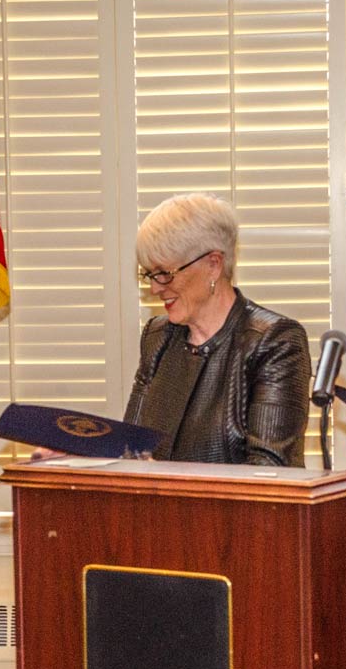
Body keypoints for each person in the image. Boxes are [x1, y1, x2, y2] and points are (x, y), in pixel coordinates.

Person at [123, 193, 311, 465]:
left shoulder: (275, 342)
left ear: (213, 265)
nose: (154, 288)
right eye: (150, 275)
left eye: (165, 274)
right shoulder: (157, 337)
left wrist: (164, 481)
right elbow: (129, 449)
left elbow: (270, 470)